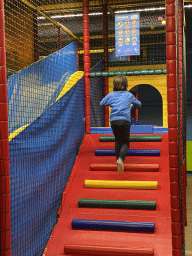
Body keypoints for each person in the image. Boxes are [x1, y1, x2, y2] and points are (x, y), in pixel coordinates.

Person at [100, 75, 142, 173]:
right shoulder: (129, 95)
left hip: (114, 121)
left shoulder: (111, 95)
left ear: (114, 85)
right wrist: (132, 105)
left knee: (118, 140)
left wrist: (111, 103)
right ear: (126, 85)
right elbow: (139, 104)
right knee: (125, 142)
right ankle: (120, 159)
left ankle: (117, 160)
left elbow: (102, 103)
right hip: (125, 121)